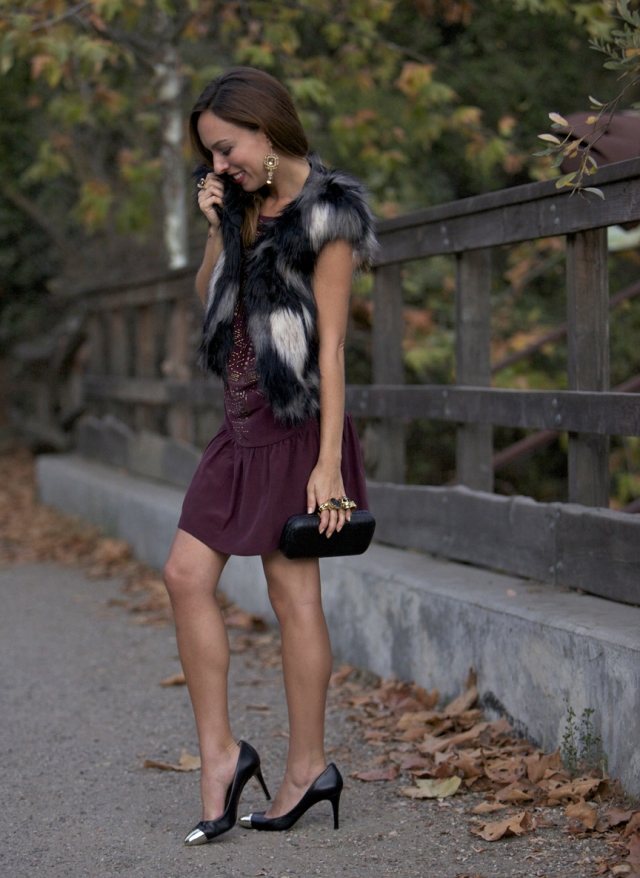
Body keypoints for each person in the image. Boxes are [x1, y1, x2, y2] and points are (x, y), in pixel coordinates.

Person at [162, 66, 377, 845]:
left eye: (225, 150)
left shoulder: (330, 214)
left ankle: (307, 768)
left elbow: (334, 352)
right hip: (238, 423)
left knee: (294, 598)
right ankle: (220, 755)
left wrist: (327, 466)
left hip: (294, 426)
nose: (218, 166)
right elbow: (209, 300)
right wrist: (217, 224)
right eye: (210, 157)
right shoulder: (243, 205)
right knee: (185, 575)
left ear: (265, 128)